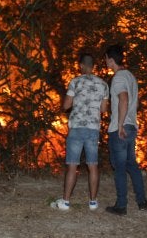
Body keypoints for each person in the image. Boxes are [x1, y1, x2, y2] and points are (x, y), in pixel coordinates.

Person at [50, 53, 109, 211]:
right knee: (93, 166)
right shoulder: (103, 84)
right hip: (93, 129)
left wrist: (70, 102)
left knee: (72, 165)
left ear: (82, 65)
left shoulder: (75, 82)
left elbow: (66, 106)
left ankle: (66, 201)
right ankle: (93, 202)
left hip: (76, 128)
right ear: (93, 66)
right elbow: (104, 109)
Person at [104, 44, 147, 216]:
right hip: (131, 125)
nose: (105, 62)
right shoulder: (130, 76)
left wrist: (120, 125)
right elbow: (135, 103)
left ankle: (121, 205)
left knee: (120, 167)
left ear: (111, 59)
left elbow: (124, 99)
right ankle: (142, 201)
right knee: (132, 165)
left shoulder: (119, 78)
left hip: (120, 128)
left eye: (106, 59)